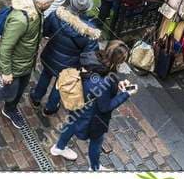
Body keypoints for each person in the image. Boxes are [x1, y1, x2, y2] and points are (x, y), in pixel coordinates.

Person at [49, 41, 134, 169]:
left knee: (71, 123)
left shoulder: (93, 59)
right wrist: (126, 94)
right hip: (92, 116)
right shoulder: (104, 81)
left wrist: (118, 84)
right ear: (118, 61)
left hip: (78, 101)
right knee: (97, 140)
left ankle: (59, 147)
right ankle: (95, 168)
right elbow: (105, 107)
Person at [0, 0, 56, 127]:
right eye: (50, 3)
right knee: (10, 93)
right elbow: (5, 47)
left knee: (20, 90)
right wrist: (7, 72)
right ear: (43, 3)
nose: (50, 6)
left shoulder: (37, 9)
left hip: (27, 61)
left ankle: (9, 109)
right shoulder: (20, 20)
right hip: (15, 64)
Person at [30, 0, 101, 116]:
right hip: (70, 65)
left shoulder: (56, 15)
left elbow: (45, 32)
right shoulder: (90, 31)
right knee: (60, 84)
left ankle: (36, 98)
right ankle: (50, 108)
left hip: (51, 55)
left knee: (45, 75)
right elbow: (90, 56)